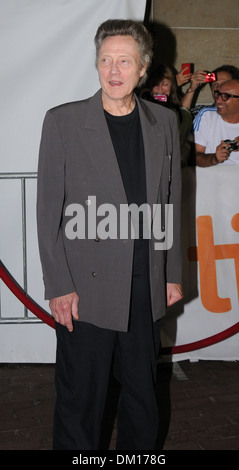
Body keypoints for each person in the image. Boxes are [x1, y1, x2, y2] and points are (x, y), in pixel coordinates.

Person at [37, 19, 183, 451]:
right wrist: (59, 285)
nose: (114, 70)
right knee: (82, 399)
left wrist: (171, 273)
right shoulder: (63, 122)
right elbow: (49, 212)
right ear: (96, 64)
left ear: (143, 70)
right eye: (106, 60)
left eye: (125, 61)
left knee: (141, 396)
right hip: (85, 289)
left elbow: (170, 203)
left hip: (143, 284)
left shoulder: (164, 121)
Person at [140, 64, 193, 166]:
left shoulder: (177, 113)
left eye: (165, 84)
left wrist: (192, 87)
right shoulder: (142, 106)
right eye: (156, 84)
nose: (160, 89)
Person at [194, 79, 239, 166]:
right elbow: (193, 157)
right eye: (218, 95)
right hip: (212, 177)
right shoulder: (207, 116)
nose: (218, 101)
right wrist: (214, 158)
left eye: (225, 96)